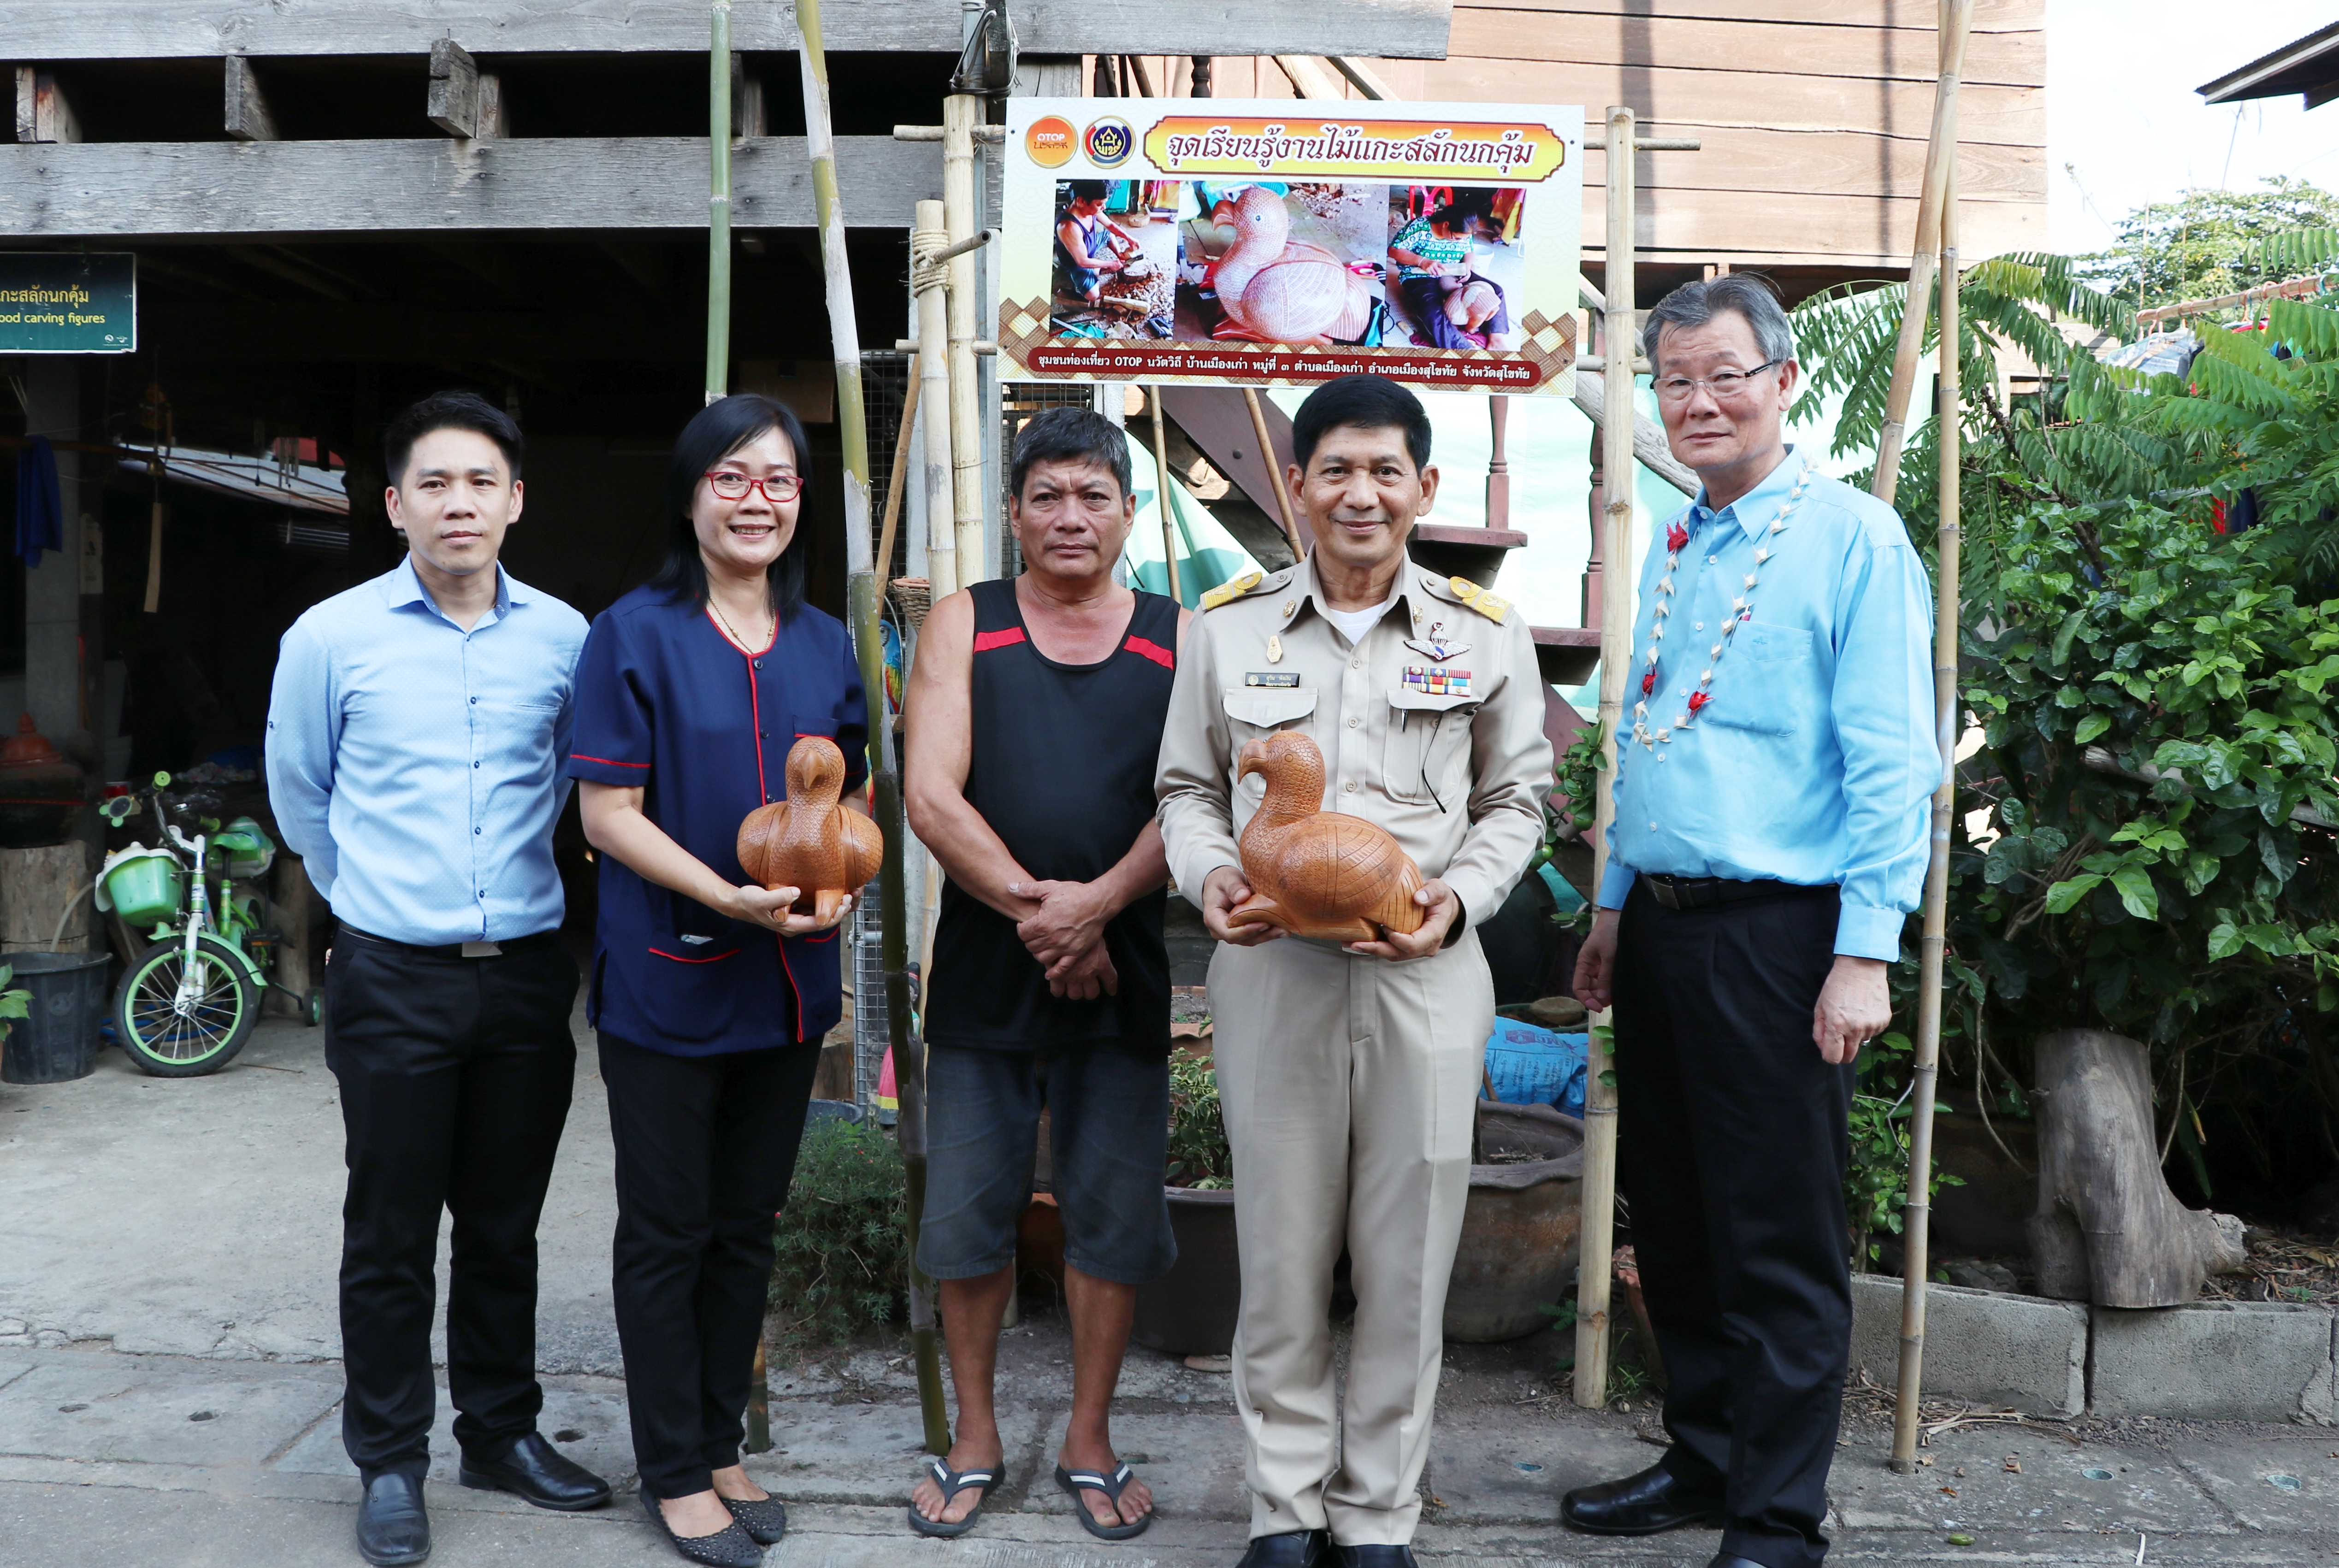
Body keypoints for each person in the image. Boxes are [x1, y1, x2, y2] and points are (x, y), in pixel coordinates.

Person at [1563, 273, 1933, 1568]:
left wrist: (1864, 954)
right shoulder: (1677, 538)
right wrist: (1611, 908)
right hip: (1663, 930)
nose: (1699, 400)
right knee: (1673, 1216)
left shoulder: (1852, 538)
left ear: (1781, 383)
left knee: (1774, 1229)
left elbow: (1894, 763)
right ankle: (1707, 1457)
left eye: (1726, 374)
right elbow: (1641, 735)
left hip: (1783, 935)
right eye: (1674, 380)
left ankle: (1777, 1514)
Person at [1156, 374, 1553, 1568]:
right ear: (1298, 485)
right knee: (1277, 1256)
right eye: (1335, 469)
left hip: (1424, 977)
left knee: (1406, 1260)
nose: (1360, 493)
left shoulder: (1482, 635)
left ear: (1424, 488)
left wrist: (1459, 901)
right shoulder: (1226, 626)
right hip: (1273, 972)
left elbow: (1516, 798)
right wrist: (1208, 875)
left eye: (1386, 471)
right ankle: (1285, 1509)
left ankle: (1378, 1515)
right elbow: (1185, 789)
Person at [266, 391, 608, 1568]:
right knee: (390, 1229)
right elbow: (302, 797)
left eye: (481, 483)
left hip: (522, 977)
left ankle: (500, 1435)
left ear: (516, 499)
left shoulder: (568, 639)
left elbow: (581, 785)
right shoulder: (328, 639)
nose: (457, 503)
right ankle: (390, 1463)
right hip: (390, 979)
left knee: (505, 1226)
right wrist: (374, 899)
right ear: (395, 503)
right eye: (433, 484)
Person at [569, 393, 868, 1568]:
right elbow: (606, 816)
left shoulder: (825, 643)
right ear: (691, 495)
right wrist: (722, 895)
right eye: (733, 479)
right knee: (667, 1229)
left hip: (788, 982)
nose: (759, 501)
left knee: (747, 1226)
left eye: (781, 481)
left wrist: (837, 883)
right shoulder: (631, 633)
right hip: (670, 978)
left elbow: (842, 804)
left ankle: (718, 1441)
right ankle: (672, 1469)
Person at [901, 406, 1188, 1542]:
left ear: (1128, 511)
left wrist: (1100, 908)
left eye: (1093, 495)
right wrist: (1041, 913)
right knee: (968, 1210)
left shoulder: (1179, 634)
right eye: (1047, 496)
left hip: (1122, 970)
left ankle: (1087, 1435)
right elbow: (930, 796)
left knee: (1108, 1214)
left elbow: (1197, 797)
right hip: (986, 965)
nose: (1070, 517)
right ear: (1013, 513)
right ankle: (973, 1434)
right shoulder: (963, 624)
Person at [1388, 205, 1510, 351]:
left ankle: (1496, 338)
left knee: (1497, 290)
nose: (1459, 242)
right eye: (1457, 238)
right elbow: (1394, 250)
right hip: (1420, 274)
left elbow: (1469, 251)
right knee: (1432, 310)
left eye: (1462, 239)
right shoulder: (1420, 227)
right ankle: (1460, 347)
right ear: (1446, 225)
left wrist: (1467, 267)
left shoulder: (1465, 231)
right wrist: (1423, 261)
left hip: (1454, 271)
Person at [1057, 180, 1141, 305]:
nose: (1104, 208)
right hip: (1076, 262)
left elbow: (1111, 225)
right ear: (1081, 201)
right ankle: (1096, 270)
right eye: (1100, 204)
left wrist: (1129, 238)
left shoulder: (1091, 209)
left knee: (1108, 234)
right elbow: (1083, 261)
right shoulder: (1068, 227)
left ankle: (1113, 259)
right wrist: (1110, 264)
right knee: (1093, 295)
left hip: (1090, 246)